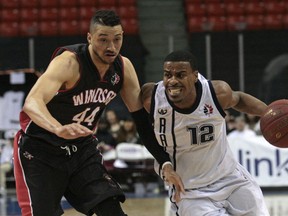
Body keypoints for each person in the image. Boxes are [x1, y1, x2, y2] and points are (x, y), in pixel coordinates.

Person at [13, 10, 175, 216]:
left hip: (81, 150)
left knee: (111, 210)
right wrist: (58, 128)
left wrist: (164, 160)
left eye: (117, 39)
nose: (111, 47)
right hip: (40, 149)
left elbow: (141, 121)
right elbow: (32, 102)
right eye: (103, 39)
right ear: (90, 38)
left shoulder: (123, 68)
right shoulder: (69, 63)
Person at [141, 50, 270, 215]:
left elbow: (238, 99)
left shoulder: (217, 93)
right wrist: (164, 164)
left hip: (231, 179)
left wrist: (271, 112)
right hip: (190, 190)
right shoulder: (151, 99)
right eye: (167, 75)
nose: (172, 81)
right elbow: (144, 130)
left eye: (180, 75)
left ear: (195, 76)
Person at [0, 130, 15, 195]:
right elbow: (4, 160)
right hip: (8, 164)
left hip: (18, 164)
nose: (12, 141)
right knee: (1, 168)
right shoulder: (6, 147)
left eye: (13, 139)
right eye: (11, 139)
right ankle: (2, 187)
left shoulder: (20, 146)